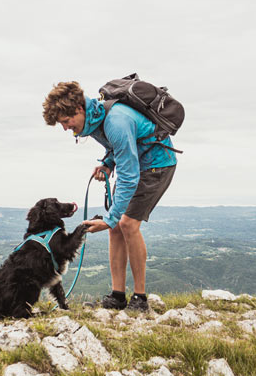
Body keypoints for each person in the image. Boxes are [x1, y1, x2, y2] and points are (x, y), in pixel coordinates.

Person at [42, 81, 177, 312]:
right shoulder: (95, 120)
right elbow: (119, 148)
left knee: (126, 224)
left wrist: (109, 218)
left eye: (66, 121)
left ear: (79, 109)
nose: (65, 128)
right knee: (116, 227)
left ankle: (140, 299)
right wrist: (106, 163)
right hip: (139, 165)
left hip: (157, 166)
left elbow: (129, 175)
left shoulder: (116, 121)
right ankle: (117, 296)